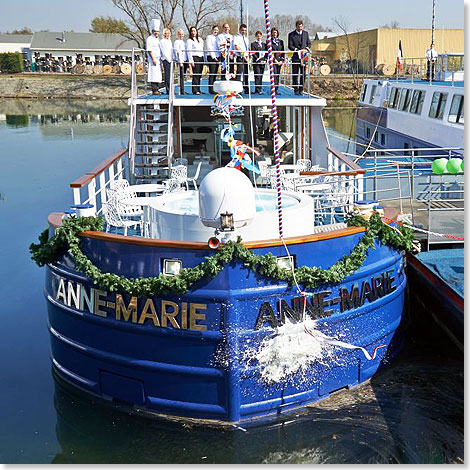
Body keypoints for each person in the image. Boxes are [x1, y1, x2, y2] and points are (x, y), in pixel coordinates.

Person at [288, 19, 311, 95]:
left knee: (303, 73)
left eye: (301, 27)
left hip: (303, 58)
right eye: (299, 27)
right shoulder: (291, 34)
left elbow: (309, 43)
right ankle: (295, 89)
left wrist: (306, 49)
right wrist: (297, 50)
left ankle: (301, 89)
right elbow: (290, 45)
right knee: (295, 73)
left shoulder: (306, 33)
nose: (300, 28)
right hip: (295, 57)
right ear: (296, 27)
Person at [186, 26, 205, 94]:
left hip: (201, 57)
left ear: (196, 32)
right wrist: (191, 60)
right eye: (192, 31)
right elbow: (189, 51)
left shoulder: (200, 39)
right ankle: (195, 90)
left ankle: (198, 89)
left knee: (199, 74)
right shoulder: (189, 41)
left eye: (194, 31)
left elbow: (202, 49)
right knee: (196, 74)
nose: (193, 32)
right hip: (195, 57)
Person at [146, 19, 163, 95]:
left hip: (158, 59)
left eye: (157, 31)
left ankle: (157, 89)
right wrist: (153, 59)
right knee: (153, 75)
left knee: (158, 75)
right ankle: (154, 89)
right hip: (153, 59)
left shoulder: (158, 39)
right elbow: (149, 50)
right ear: (152, 31)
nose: (156, 32)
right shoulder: (149, 39)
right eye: (155, 31)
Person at [232, 23, 250, 93]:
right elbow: (236, 47)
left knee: (246, 73)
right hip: (240, 57)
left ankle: (246, 87)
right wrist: (243, 54)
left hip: (246, 57)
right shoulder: (236, 37)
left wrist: (247, 56)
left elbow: (247, 48)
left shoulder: (246, 38)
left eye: (245, 30)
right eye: (242, 30)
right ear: (239, 30)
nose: (243, 32)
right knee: (239, 72)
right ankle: (237, 89)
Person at [205, 25, 220, 94]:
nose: (215, 31)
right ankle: (211, 89)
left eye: (217, 30)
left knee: (215, 74)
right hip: (211, 57)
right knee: (212, 73)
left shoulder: (218, 38)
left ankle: (214, 88)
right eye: (214, 29)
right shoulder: (209, 37)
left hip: (217, 57)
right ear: (212, 30)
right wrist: (214, 57)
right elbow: (209, 47)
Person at [173, 28, 187, 95]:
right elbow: (177, 52)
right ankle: (181, 90)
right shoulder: (176, 42)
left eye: (182, 34)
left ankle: (182, 89)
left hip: (185, 61)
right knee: (180, 76)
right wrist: (180, 61)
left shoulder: (184, 42)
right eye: (180, 34)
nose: (181, 35)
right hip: (180, 61)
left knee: (183, 76)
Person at [271, 27, 285, 93]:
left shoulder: (281, 41)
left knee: (278, 75)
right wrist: (275, 61)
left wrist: (282, 60)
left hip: (279, 61)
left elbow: (283, 52)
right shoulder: (269, 41)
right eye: (273, 32)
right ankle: (273, 89)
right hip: (273, 61)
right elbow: (269, 52)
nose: (274, 34)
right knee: (274, 74)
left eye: (275, 32)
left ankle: (276, 89)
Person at [160, 28, 173, 94]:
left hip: (170, 60)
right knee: (167, 75)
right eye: (165, 33)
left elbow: (171, 51)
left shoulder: (169, 41)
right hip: (166, 60)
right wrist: (168, 59)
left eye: (167, 33)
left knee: (170, 75)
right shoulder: (162, 41)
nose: (166, 34)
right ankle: (168, 89)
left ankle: (170, 88)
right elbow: (164, 51)